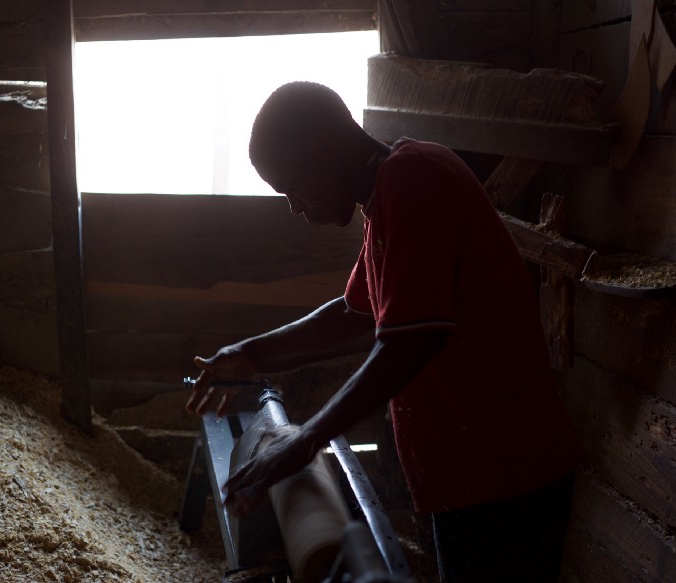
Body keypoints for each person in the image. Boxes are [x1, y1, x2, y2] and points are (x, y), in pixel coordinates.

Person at [186, 81, 581, 582]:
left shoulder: (413, 178)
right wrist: (250, 353)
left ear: (321, 147)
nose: (295, 206)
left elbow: (410, 341)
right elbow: (356, 314)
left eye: (291, 186)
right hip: (469, 475)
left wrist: (305, 441)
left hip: (505, 473)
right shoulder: (385, 197)